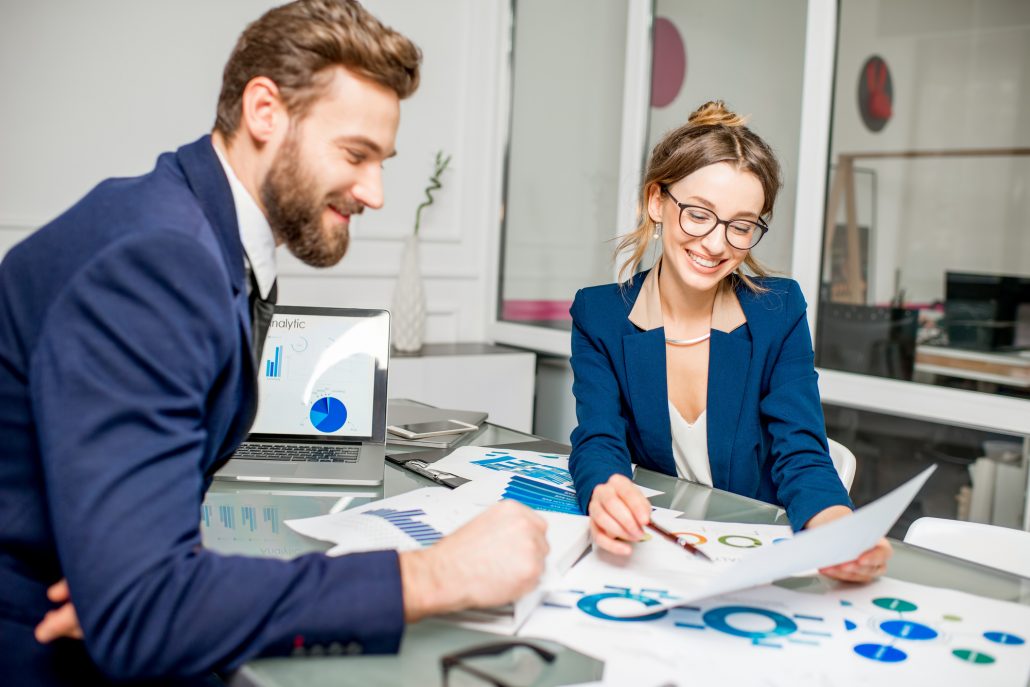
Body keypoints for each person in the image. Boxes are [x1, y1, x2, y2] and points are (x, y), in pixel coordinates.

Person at [0, 1, 548, 684]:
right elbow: (143, 612)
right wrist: (433, 575)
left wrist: (125, 577)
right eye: (356, 154)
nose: (375, 191)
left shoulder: (201, 228)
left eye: (384, 161)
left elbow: (137, 582)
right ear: (265, 111)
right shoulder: (161, 261)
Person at [567, 101, 890, 583]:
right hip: (659, 552)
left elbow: (800, 451)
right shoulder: (601, 315)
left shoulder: (777, 312)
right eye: (698, 215)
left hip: (756, 557)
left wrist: (836, 528)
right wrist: (606, 489)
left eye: (741, 226)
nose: (716, 244)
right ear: (656, 201)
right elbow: (598, 437)